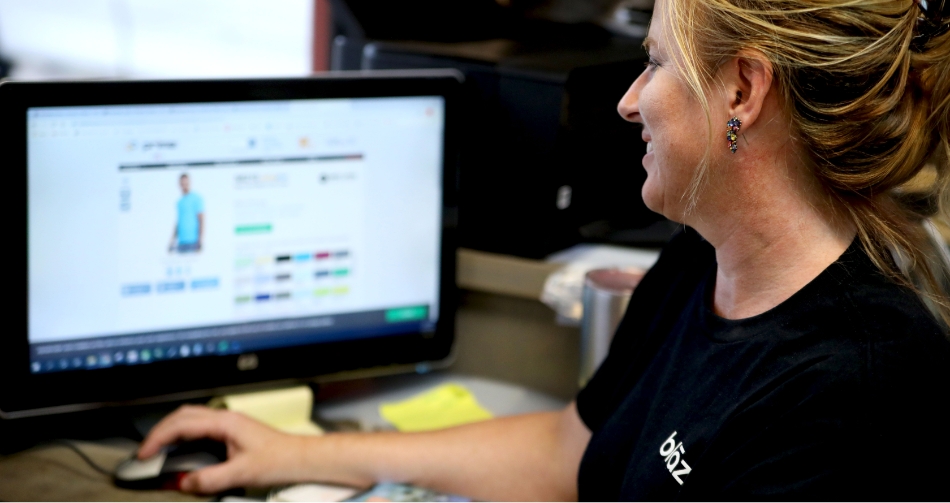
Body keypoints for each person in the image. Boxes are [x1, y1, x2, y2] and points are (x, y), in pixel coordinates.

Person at [139, 0, 950, 499]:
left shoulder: (857, 388)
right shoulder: (707, 259)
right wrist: (301, 453)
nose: (631, 101)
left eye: (657, 63)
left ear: (742, 89)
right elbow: (569, 451)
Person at [169, 173, 204, 253]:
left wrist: (200, 240)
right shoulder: (179, 202)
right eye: (182, 183)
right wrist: (172, 241)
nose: (184, 185)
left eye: (186, 183)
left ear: (189, 183)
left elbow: (201, 220)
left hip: (193, 241)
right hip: (181, 242)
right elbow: (178, 222)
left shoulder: (197, 198)